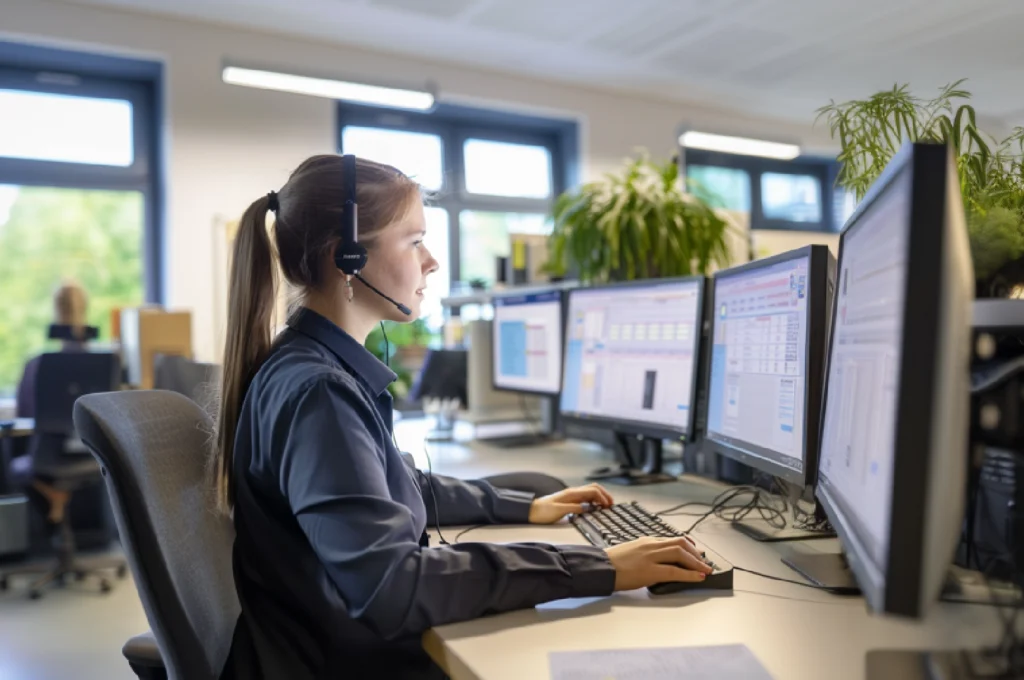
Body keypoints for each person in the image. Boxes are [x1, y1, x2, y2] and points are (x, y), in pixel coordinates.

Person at [213, 155, 712, 680]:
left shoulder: (311, 367)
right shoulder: (320, 393)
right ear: (349, 258)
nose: (431, 261)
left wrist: (527, 507)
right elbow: (393, 588)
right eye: (413, 241)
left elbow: (397, 486)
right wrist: (597, 567)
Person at [15, 279, 91, 419]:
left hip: (45, 441)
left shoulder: (35, 365)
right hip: (87, 441)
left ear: (55, 313)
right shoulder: (105, 365)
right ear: (84, 309)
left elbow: (24, 415)